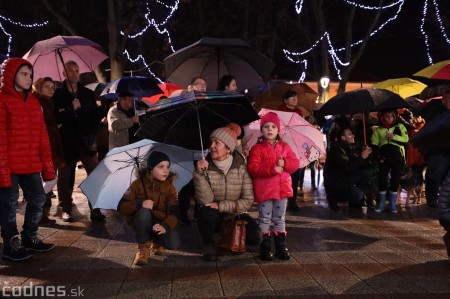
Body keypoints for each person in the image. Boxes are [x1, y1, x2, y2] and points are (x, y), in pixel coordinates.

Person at [0, 58, 55, 261]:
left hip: (31, 163)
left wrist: (48, 168)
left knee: (39, 199)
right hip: (10, 165)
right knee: (9, 205)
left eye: (30, 74)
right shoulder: (2, 100)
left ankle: (30, 236)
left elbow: (43, 136)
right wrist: (3, 171)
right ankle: (11, 243)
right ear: (10, 75)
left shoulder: (34, 102)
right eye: (24, 73)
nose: (28, 78)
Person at [193, 123, 261, 261]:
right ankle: (208, 243)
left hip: (235, 213)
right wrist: (199, 175)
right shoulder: (206, 166)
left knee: (256, 237)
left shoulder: (241, 166)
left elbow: (248, 200)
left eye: (217, 143)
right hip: (214, 214)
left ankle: (228, 235)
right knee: (205, 213)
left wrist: (222, 205)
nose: (212, 146)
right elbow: (205, 201)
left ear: (228, 148)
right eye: (211, 142)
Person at [53, 60, 104, 222]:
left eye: (76, 70)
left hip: (85, 141)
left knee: (94, 175)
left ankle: (95, 208)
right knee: (64, 177)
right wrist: (70, 109)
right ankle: (66, 208)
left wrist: (91, 133)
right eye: (70, 70)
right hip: (67, 142)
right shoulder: (58, 95)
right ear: (63, 73)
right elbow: (56, 117)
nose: (74, 73)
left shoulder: (87, 93)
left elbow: (94, 117)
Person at [247, 112, 300, 261]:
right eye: (266, 126)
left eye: (273, 127)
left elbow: (295, 163)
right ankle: (265, 248)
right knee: (264, 218)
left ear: (278, 130)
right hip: (265, 190)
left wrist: (286, 164)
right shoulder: (257, 148)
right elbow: (253, 168)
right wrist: (272, 168)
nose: (270, 129)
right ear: (261, 130)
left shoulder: (285, 147)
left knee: (280, 218)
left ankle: (280, 247)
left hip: (282, 190)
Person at [117, 151, 181, 265]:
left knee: (173, 243)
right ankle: (143, 247)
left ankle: (157, 241)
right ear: (151, 169)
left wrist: (165, 226)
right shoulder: (137, 185)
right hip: (144, 222)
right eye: (161, 167)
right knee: (143, 213)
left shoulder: (170, 187)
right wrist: (139, 203)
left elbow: (175, 213)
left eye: (167, 167)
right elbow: (121, 207)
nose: (166, 170)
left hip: (160, 222)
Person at [32, 77, 65, 226]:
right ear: (39, 88)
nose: (51, 89)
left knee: (49, 180)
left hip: (51, 147)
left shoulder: (49, 103)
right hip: (44, 149)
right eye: (47, 86)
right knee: (48, 181)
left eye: (52, 87)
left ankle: (42, 214)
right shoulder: (38, 103)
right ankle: (38, 214)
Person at [324, 128, 372, 210]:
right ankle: (335, 198)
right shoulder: (337, 148)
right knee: (358, 195)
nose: (353, 135)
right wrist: (361, 157)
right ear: (343, 138)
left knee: (365, 173)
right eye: (349, 134)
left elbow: (359, 166)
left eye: (352, 133)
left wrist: (364, 155)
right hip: (336, 181)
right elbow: (347, 167)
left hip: (346, 177)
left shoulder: (352, 146)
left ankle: (354, 201)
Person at [371, 109, 409, 213]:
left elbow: (406, 139)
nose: (389, 118)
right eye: (386, 116)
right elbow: (374, 144)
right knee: (382, 180)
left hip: (397, 158)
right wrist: (379, 157)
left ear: (394, 117)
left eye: (391, 116)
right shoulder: (379, 129)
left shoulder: (400, 127)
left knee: (395, 180)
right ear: (382, 117)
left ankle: (392, 205)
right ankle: (381, 204)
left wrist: (394, 137)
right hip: (384, 158)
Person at [420, 90, 450, 208]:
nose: (447, 100)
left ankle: (444, 199)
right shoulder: (435, 109)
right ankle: (432, 199)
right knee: (435, 173)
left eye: (449, 98)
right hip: (437, 149)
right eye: (445, 97)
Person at [278, 90, 304, 211]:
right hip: (282, 147)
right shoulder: (279, 112)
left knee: (295, 175)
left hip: (295, 148)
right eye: (292, 97)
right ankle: (280, 199)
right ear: (285, 100)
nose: (295, 99)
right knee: (281, 175)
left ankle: (292, 201)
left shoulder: (299, 113)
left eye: (296, 97)